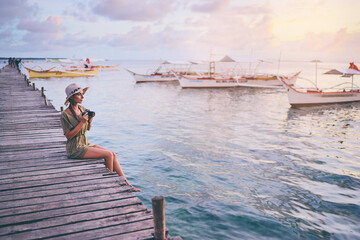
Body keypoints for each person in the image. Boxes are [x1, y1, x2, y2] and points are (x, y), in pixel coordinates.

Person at [60, 83, 140, 192]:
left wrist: (90, 121)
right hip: (75, 148)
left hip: (85, 143)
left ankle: (127, 183)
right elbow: (68, 136)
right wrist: (82, 122)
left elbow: (87, 129)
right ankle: (110, 184)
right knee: (107, 155)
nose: (82, 97)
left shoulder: (82, 108)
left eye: (82, 94)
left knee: (112, 154)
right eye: (79, 95)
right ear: (72, 97)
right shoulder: (65, 115)